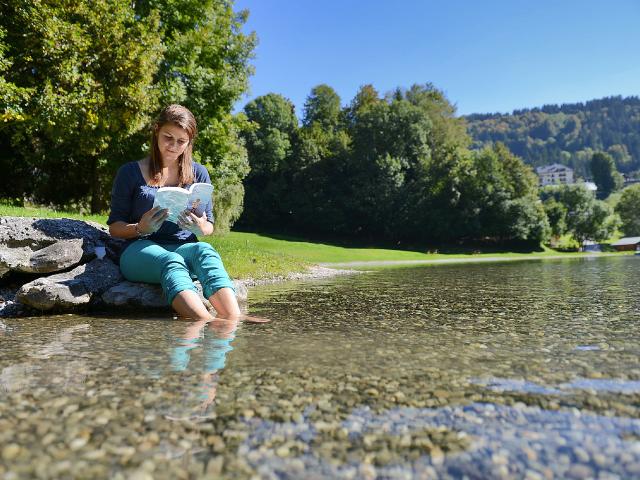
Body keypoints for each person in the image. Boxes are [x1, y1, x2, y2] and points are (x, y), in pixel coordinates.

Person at [107, 104, 242, 320]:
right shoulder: (129, 172)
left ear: (189, 142)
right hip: (139, 249)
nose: (173, 146)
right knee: (170, 261)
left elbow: (209, 227)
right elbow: (114, 228)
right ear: (156, 130)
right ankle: (206, 322)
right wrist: (140, 228)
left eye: (182, 141)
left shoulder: (198, 173)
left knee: (205, 251)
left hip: (184, 246)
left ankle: (234, 320)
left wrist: (199, 226)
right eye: (168, 137)